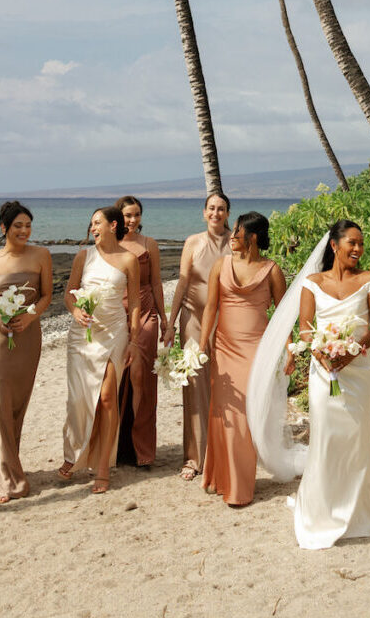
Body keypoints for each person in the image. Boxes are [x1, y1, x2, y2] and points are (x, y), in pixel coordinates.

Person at [284, 220, 370, 549]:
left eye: (361, 244)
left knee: (357, 436)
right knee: (326, 437)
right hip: (323, 370)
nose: (358, 249)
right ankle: (322, 508)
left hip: (357, 370)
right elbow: (304, 326)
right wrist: (319, 351)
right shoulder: (312, 282)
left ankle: (356, 510)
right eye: (352, 243)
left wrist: (353, 351)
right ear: (334, 246)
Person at [199, 212, 286, 506]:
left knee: (246, 417)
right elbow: (211, 307)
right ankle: (219, 476)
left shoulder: (272, 270)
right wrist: (202, 345)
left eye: (236, 232)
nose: (231, 236)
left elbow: (283, 316)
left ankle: (239, 486)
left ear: (252, 237)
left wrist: (287, 351)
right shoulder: (220, 266)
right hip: (224, 349)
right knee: (224, 414)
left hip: (256, 352)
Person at [59, 207, 140, 494]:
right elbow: (69, 293)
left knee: (107, 398)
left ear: (112, 225)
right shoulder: (84, 256)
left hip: (114, 333)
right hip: (82, 335)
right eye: (91, 223)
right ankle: (73, 454)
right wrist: (77, 310)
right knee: (79, 399)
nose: (93, 227)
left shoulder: (129, 259)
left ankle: (104, 465)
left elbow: (136, 304)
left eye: (98, 222)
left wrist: (132, 340)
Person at [0, 201, 52, 503]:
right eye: (18, 226)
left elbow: (48, 295)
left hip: (27, 339)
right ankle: (4, 477)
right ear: (4, 228)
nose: (24, 231)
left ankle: (1, 466)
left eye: (28, 225)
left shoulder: (42, 255)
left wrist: (31, 315)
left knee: (16, 408)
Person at [164, 193, 232, 480]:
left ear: (228, 213)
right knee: (194, 386)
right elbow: (182, 283)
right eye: (211, 208)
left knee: (226, 386)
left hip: (225, 322)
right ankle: (194, 458)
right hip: (192, 319)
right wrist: (170, 324)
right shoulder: (192, 242)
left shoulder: (235, 242)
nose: (216, 213)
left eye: (221, 209)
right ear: (204, 212)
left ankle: (225, 451)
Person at [114, 196, 167, 467]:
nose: (132, 220)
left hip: (146, 315)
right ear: (118, 217)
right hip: (115, 317)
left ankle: (142, 450)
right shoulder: (109, 245)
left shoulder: (150, 245)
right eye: (127, 215)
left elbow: (157, 283)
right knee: (115, 378)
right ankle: (117, 448)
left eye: (136, 215)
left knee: (142, 379)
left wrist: (165, 320)